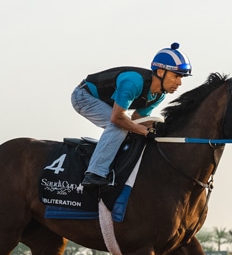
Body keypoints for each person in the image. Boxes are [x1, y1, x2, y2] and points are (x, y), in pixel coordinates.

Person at [71, 43, 191, 187]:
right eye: (176, 76)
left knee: (130, 128)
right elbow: (117, 118)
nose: (179, 83)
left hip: (108, 104)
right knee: (120, 126)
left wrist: (157, 128)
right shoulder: (133, 82)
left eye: (182, 77)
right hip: (83, 97)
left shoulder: (159, 95)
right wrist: (144, 131)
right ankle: (94, 173)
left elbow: (137, 119)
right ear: (160, 72)